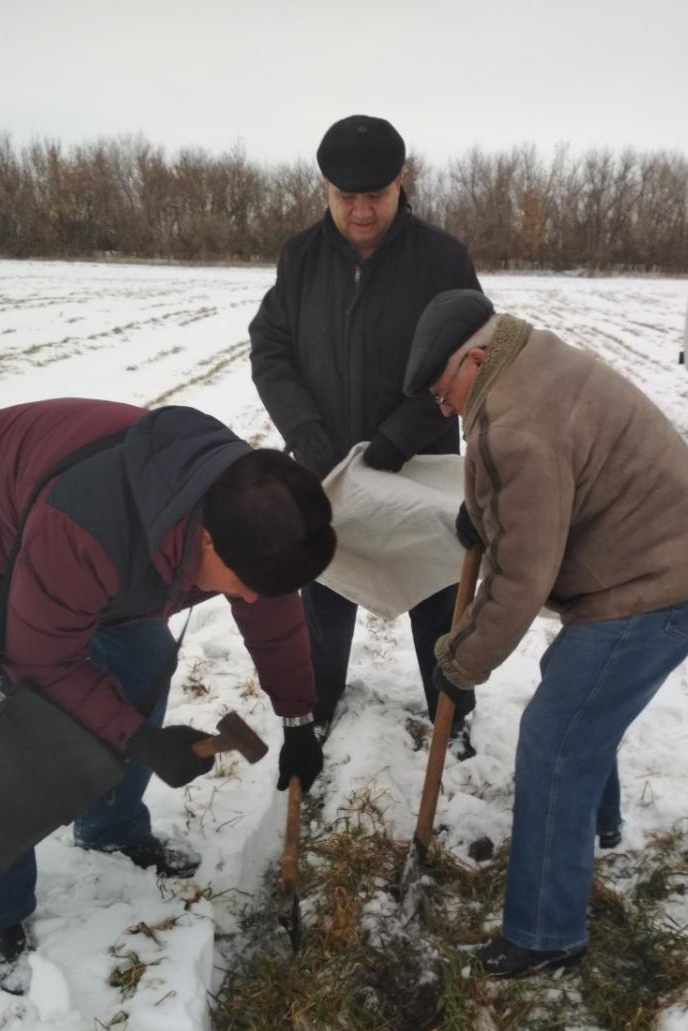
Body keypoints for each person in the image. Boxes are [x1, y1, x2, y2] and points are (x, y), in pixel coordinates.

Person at [0, 398, 336, 990]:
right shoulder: (88, 528)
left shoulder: (248, 507)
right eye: (243, 587)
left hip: (86, 544)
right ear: (206, 543)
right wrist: (142, 740)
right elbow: (42, 662)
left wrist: (298, 717)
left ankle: (110, 828)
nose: (250, 600)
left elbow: (272, 605)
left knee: (146, 658)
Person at [404, 291, 688, 978]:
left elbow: (520, 580)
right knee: (579, 699)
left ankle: (544, 934)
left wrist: (459, 661)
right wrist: (483, 514)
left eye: (445, 391)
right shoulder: (526, 355)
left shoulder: (514, 426)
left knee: (554, 740)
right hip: (674, 556)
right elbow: (535, 479)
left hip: (654, 585)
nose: (445, 408)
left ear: (473, 356)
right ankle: (594, 825)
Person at [249, 114, 481, 747]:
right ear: (324, 186)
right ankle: (319, 701)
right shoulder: (300, 258)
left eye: (373, 195)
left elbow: (469, 354)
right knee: (325, 580)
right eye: (344, 195)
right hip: (328, 466)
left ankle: (450, 715)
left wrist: (400, 435)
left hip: (417, 463)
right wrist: (304, 429)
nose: (358, 211)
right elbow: (270, 348)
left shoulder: (441, 258)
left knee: (438, 589)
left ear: (400, 181)